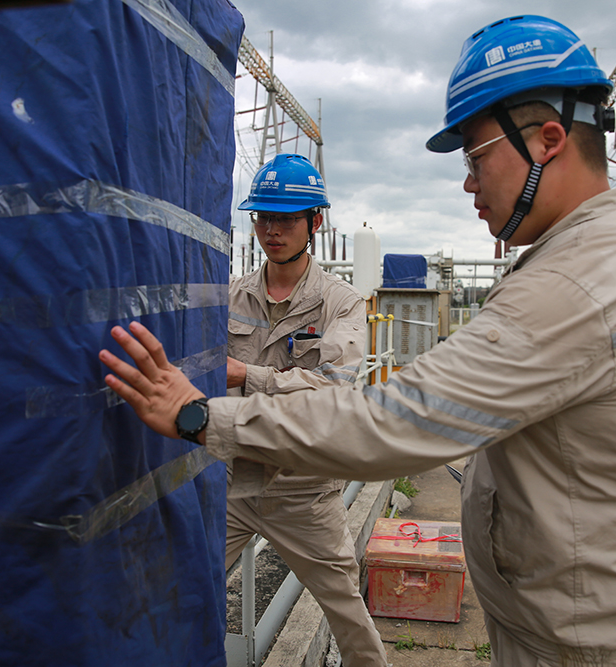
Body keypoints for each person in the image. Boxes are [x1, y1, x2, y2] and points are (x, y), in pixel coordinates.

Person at [99, 15, 616, 667]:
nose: (468, 183)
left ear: (549, 139)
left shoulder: (581, 283)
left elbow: (390, 418)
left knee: (347, 616)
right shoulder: (584, 260)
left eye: (475, 158)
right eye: (263, 220)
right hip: (568, 625)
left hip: (588, 644)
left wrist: (198, 413)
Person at [225, 154, 385, 666]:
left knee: (347, 615)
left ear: (315, 222)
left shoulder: (340, 303)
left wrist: (245, 375)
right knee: (180, 586)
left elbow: (332, 389)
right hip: (235, 480)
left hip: (303, 489)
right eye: (264, 218)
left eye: (287, 219)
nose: (272, 230)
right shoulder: (232, 295)